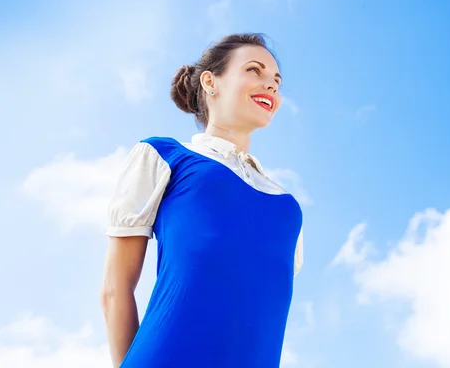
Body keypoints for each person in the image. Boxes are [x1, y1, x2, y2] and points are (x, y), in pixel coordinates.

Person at [100, 33, 304, 368]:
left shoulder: (287, 207)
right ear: (210, 82)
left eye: (276, 81)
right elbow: (114, 289)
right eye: (255, 70)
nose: (271, 86)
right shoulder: (165, 158)